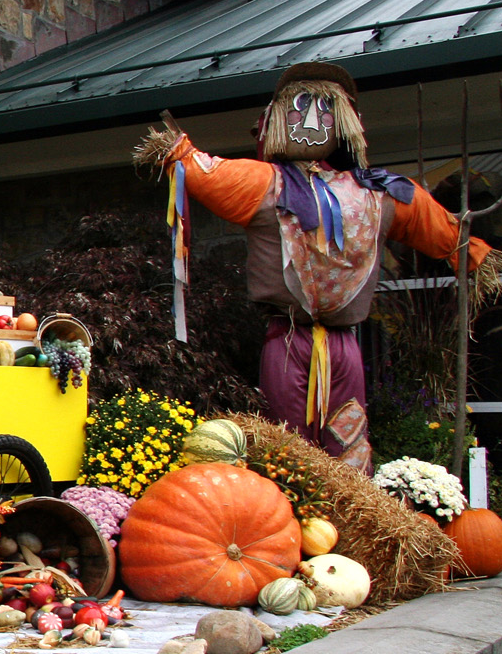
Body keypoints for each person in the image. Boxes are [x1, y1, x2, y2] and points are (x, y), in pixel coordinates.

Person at [135, 61, 497, 470]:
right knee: (289, 447)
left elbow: (438, 226)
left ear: (344, 121)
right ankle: (296, 520)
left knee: (349, 437)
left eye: (324, 109)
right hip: (287, 337)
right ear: (275, 120)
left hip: (342, 343)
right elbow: (208, 175)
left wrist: (474, 257)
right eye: (301, 107)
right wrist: (177, 152)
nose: (310, 119)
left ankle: (346, 522)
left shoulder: (381, 193)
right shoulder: (267, 183)